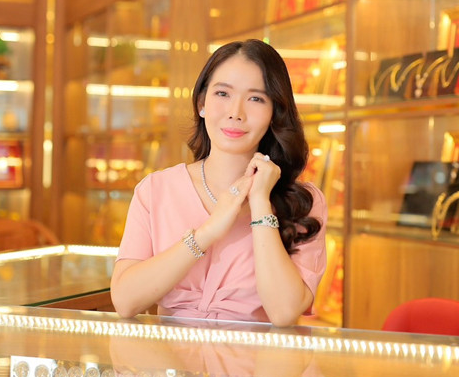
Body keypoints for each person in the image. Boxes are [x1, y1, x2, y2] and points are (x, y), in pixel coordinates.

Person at [110, 39, 327, 326]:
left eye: (256, 99)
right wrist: (208, 232)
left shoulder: (303, 202)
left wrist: (261, 203)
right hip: (170, 355)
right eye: (223, 93)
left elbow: (284, 312)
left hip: (257, 356)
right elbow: (125, 301)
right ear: (202, 103)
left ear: (274, 112)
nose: (236, 112)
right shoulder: (155, 190)